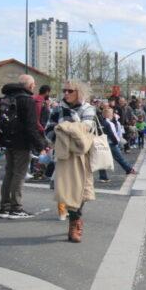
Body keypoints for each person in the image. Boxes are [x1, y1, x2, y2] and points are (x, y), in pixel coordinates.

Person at [47, 81, 98, 241]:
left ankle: (76, 220)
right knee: (67, 191)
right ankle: (74, 223)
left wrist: (63, 128)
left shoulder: (88, 108)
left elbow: (85, 132)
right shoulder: (57, 108)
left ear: (79, 92)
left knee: (82, 191)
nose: (66, 93)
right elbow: (49, 132)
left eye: (70, 90)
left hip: (83, 157)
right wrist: (68, 130)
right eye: (64, 90)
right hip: (64, 156)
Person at [0, 75, 47, 219]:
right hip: (22, 143)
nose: (34, 86)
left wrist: (2, 141)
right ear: (30, 86)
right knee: (19, 174)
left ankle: (4, 207)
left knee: (9, 173)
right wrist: (40, 145)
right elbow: (31, 126)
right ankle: (16, 208)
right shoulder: (26, 100)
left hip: (7, 140)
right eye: (33, 84)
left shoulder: (4, 98)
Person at [98, 105, 136, 179]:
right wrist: (116, 142)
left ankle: (103, 176)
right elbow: (112, 134)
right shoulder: (109, 123)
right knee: (119, 157)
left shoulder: (102, 122)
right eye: (112, 113)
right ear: (108, 114)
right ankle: (129, 169)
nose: (113, 115)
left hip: (103, 142)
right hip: (111, 143)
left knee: (102, 159)